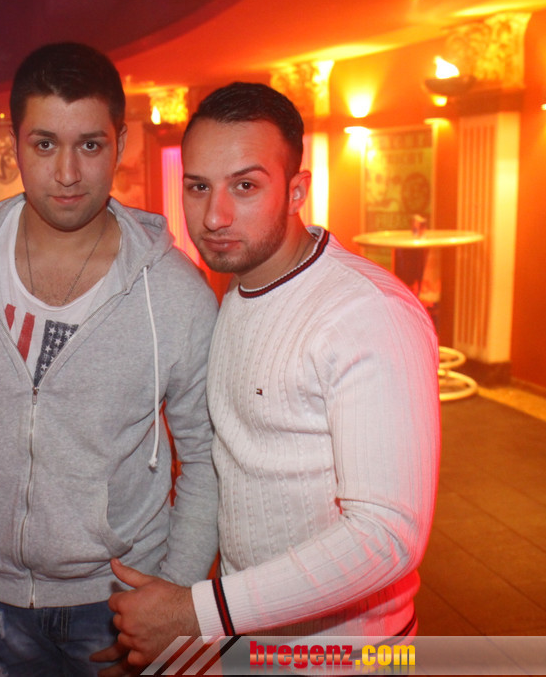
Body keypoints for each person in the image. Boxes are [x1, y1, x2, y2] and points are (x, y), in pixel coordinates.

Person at [0, 42, 219, 675]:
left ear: (120, 144)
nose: (68, 173)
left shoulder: (175, 291)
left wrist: (174, 596)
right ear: (13, 144)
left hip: (123, 595)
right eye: (45, 144)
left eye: (90, 145)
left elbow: (206, 457)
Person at [109, 81, 441, 665]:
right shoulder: (239, 293)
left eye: (245, 186)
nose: (214, 216)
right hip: (255, 643)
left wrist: (200, 612)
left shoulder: (367, 312)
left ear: (296, 191)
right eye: (198, 186)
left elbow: (388, 536)